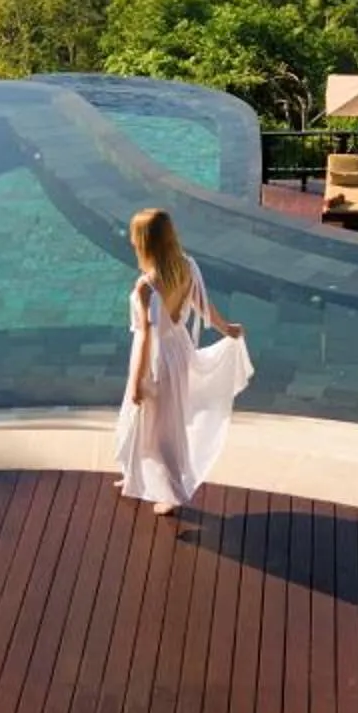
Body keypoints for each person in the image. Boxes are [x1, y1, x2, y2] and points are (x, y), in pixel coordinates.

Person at [113, 207, 251, 516]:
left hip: (156, 358)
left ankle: (172, 491)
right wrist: (226, 328)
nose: (132, 243)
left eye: (135, 238)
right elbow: (204, 306)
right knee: (149, 419)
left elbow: (148, 336)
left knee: (160, 428)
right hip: (179, 351)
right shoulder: (187, 267)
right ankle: (134, 474)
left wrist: (137, 381)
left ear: (145, 243)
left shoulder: (146, 286)